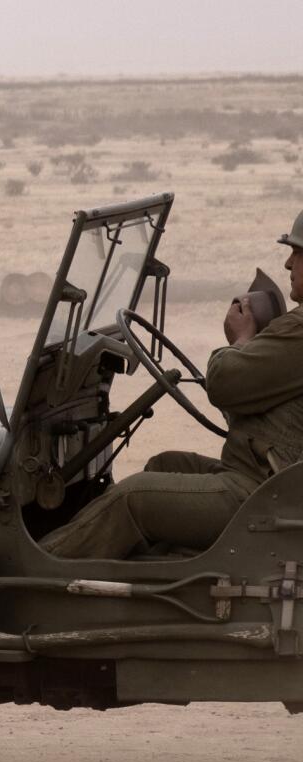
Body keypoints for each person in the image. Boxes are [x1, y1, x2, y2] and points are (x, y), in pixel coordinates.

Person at [41, 210, 303, 559]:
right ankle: (150, 581)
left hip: (261, 493)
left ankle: (29, 574)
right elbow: (248, 400)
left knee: (130, 500)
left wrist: (240, 341)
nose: (288, 263)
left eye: (298, 253)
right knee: (163, 465)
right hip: (267, 480)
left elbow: (224, 383)